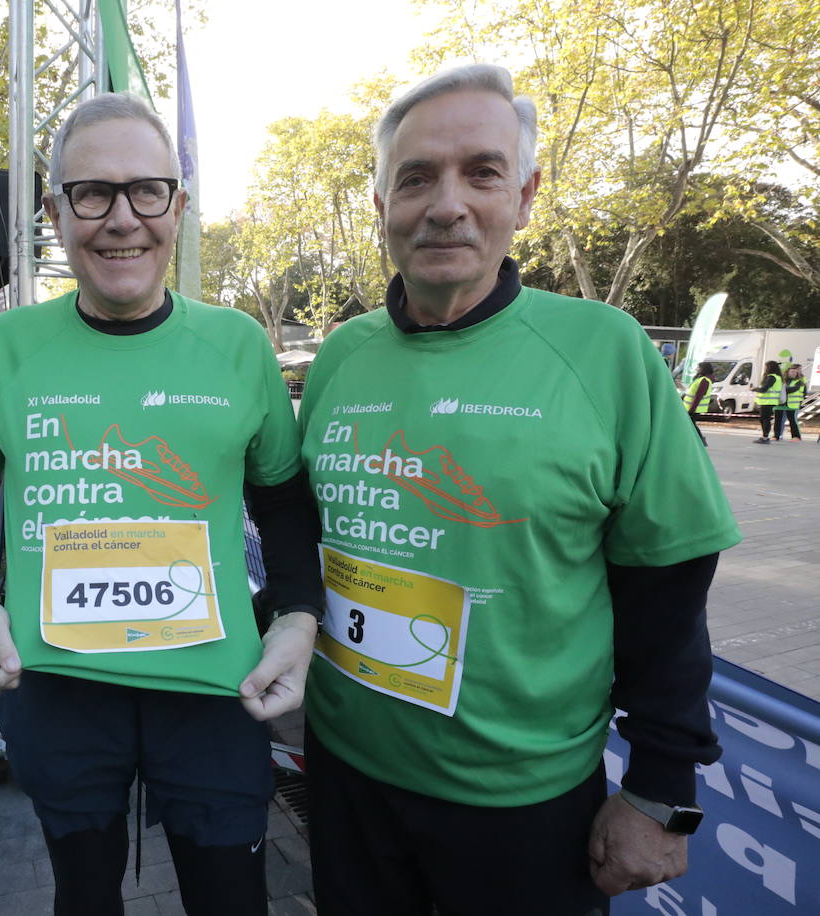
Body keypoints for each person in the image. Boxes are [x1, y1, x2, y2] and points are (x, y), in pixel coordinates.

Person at [297, 64, 741, 916]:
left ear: (528, 196)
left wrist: (659, 789)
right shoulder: (340, 357)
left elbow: (670, 586)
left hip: (520, 804)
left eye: (483, 172)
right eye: (417, 177)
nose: (447, 203)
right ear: (382, 201)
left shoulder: (606, 351)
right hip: (348, 773)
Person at [0, 92, 324, 916]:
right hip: (60, 692)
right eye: (91, 193)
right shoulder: (8, 345)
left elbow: (282, 505)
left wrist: (298, 614)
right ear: (54, 210)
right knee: (84, 897)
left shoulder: (239, 344)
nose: (121, 219)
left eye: (146, 191)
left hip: (215, 693)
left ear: (178, 205)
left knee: (230, 899)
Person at [753, 360, 784, 443]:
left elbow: (764, 389)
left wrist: (754, 389)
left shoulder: (772, 377)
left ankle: (765, 437)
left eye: (765, 367)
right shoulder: (776, 377)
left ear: (769, 368)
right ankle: (765, 436)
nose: (764, 368)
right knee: (763, 419)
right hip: (768, 401)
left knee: (765, 419)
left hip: (768, 401)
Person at [682, 363, 712, 445]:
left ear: (703, 369)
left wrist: (692, 410)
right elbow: (690, 392)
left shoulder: (704, 380)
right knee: (691, 425)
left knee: (691, 425)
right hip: (689, 407)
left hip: (693, 409)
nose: (696, 369)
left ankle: (700, 440)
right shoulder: (699, 379)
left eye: (698, 367)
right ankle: (699, 441)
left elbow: (698, 396)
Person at [773, 364, 805, 441]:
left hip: (791, 404)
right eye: (792, 372)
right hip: (780, 403)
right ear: (787, 372)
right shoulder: (781, 381)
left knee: (792, 421)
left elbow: (793, 389)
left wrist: (783, 389)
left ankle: (796, 436)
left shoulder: (799, 382)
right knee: (777, 420)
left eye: (795, 372)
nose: (794, 373)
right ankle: (776, 436)